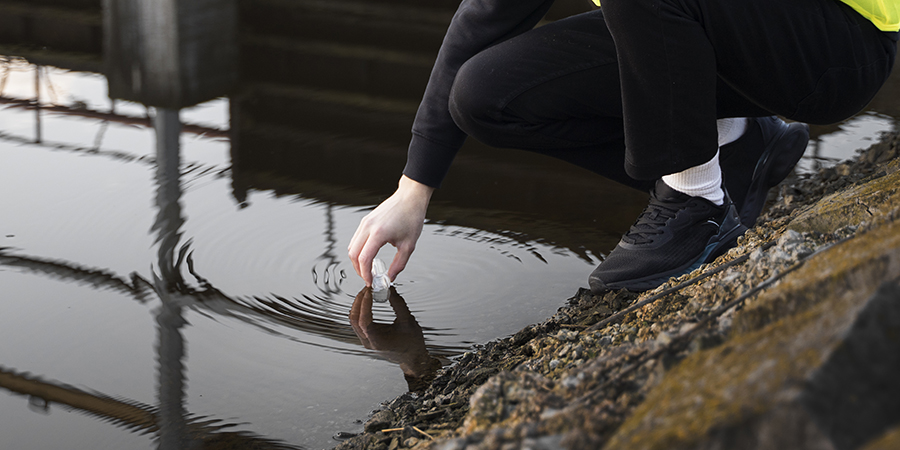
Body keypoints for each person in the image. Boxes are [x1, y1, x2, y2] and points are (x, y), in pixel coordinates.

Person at [349, 0, 899, 294]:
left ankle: (697, 204)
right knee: (484, 94)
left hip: (838, 42)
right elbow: (483, 18)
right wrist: (413, 188)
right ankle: (736, 146)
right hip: (728, 33)